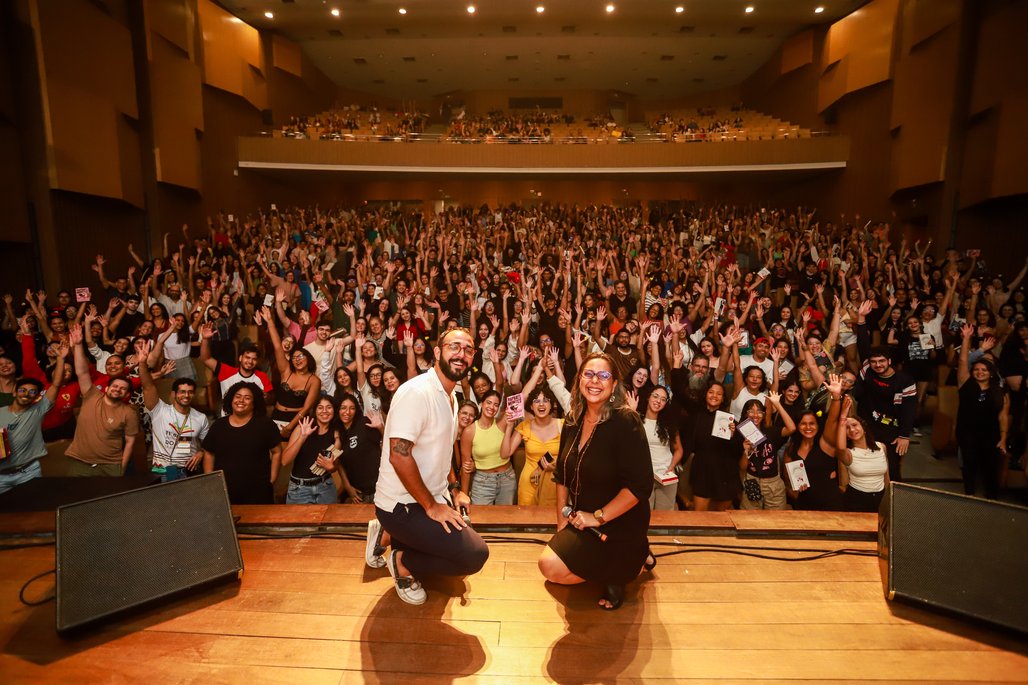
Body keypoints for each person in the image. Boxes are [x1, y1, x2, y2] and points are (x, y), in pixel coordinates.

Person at [370, 327, 489, 605]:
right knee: (473, 556)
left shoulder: (452, 396)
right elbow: (399, 456)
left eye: (468, 349)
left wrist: (455, 489)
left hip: (430, 497)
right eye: (454, 347)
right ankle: (402, 561)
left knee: (458, 548)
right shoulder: (416, 393)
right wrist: (432, 507)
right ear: (437, 352)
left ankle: (391, 538)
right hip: (401, 506)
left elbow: (443, 450)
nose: (461, 354)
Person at [538, 352, 653, 611]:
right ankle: (625, 561)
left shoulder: (626, 421)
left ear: (613, 385)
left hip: (619, 521)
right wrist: (561, 525)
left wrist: (597, 517)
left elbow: (640, 486)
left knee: (556, 566)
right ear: (579, 380)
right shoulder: (572, 420)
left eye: (603, 376)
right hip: (582, 521)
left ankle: (626, 565)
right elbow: (562, 476)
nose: (595, 381)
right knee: (549, 567)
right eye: (589, 374)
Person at [64, 325, 139, 476]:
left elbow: (130, 443)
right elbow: (82, 371)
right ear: (105, 388)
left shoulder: (128, 412)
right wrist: (78, 345)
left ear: (126, 394)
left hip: (111, 465)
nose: (118, 389)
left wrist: (121, 469)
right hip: (80, 461)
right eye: (115, 386)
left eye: (122, 388)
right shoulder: (92, 395)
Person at [854, 300, 916, 481]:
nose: (877, 365)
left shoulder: (905, 381)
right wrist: (861, 318)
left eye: (881, 361)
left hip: (892, 429)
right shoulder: (868, 369)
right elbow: (863, 345)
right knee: (867, 464)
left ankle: (893, 502)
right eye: (874, 362)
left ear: (889, 361)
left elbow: (909, 409)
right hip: (868, 424)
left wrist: (905, 435)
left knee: (892, 468)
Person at [137, 338, 209, 482]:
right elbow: (148, 386)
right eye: (182, 391)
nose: (186, 395)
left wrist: (201, 453)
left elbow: (208, 446)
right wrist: (142, 364)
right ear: (173, 394)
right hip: (163, 470)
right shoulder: (160, 410)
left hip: (189, 471)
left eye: (189, 392)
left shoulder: (200, 417)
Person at [202, 382, 282, 504]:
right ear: (231, 399)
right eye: (238, 396)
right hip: (225, 491)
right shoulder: (219, 425)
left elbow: (276, 452)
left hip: (258, 492)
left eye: (247, 398)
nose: (241, 400)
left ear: (254, 403)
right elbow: (209, 453)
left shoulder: (266, 425)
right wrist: (211, 481)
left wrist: (272, 479)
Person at [0, 348, 67, 493]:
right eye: (22, 390)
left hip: (28, 472)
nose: (26, 394)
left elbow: (56, 384)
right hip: (1, 476)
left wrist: (61, 359)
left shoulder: (37, 410)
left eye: (32, 392)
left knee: (32, 509)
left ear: (36, 397)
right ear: (14, 392)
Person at [955, 324, 1009, 498]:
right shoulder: (966, 384)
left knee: (990, 467)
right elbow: (963, 361)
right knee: (969, 464)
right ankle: (969, 495)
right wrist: (966, 339)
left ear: (991, 373)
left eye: (984, 370)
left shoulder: (1000, 392)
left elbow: (1003, 416)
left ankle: (992, 499)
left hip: (990, 434)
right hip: (967, 432)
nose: (979, 372)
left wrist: (1003, 439)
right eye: (977, 369)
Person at [784, 375, 844, 511]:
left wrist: (835, 397)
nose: (808, 427)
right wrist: (794, 492)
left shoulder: (825, 443)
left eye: (812, 423)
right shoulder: (792, 449)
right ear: (798, 426)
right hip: (804, 505)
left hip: (830, 503)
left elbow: (832, 420)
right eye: (803, 424)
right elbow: (788, 481)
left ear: (818, 425)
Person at [684, 382, 743, 511]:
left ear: (723, 398)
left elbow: (738, 451)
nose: (714, 395)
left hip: (725, 472)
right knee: (699, 517)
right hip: (702, 470)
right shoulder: (695, 417)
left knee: (721, 519)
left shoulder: (730, 421)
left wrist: (733, 435)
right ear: (705, 394)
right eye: (711, 392)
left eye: (719, 393)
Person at [280, 397, 349, 504]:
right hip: (299, 489)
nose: (325, 411)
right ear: (315, 411)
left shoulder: (336, 433)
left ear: (334, 410)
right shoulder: (302, 427)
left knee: (329, 520)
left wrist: (331, 468)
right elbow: (285, 461)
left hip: (325, 486)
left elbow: (334, 465)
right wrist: (303, 437)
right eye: (320, 408)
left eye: (329, 407)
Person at [739, 391, 795, 511]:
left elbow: (792, 428)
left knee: (776, 522)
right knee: (750, 521)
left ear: (764, 415)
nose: (755, 415)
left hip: (773, 483)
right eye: (751, 411)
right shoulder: (740, 436)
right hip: (752, 480)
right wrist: (746, 451)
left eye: (759, 411)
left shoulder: (771, 432)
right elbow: (742, 467)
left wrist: (777, 404)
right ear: (745, 414)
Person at [460, 389, 515, 505]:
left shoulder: (501, 423)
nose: (492, 407)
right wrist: (464, 495)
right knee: (479, 519)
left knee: (505, 520)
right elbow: (466, 467)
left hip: (507, 479)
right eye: (489, 402)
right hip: (483, 482)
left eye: (496, 405)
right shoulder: (469, 431)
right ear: (482, 403)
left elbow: (523, 395)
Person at [835, 394, 889, 511]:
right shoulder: (848, 453)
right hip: (857, 499)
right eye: (847, 428)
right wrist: (843, 417)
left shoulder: (881, 447)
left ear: (863, 428)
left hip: (880, 498)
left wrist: (888, 499)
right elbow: (840, 447)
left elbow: (886, 477)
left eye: (854, 425)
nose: (852, 430)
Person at [633, 385, 683, 511]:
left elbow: (679, 450)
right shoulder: (636, 420)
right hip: (645, 477)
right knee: (645, 515)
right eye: (655, 396)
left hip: (666, 476)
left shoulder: (669, 424)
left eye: (663, 399)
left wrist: (671, 467)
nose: (658, 401)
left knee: (665, 518)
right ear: (648, 397)